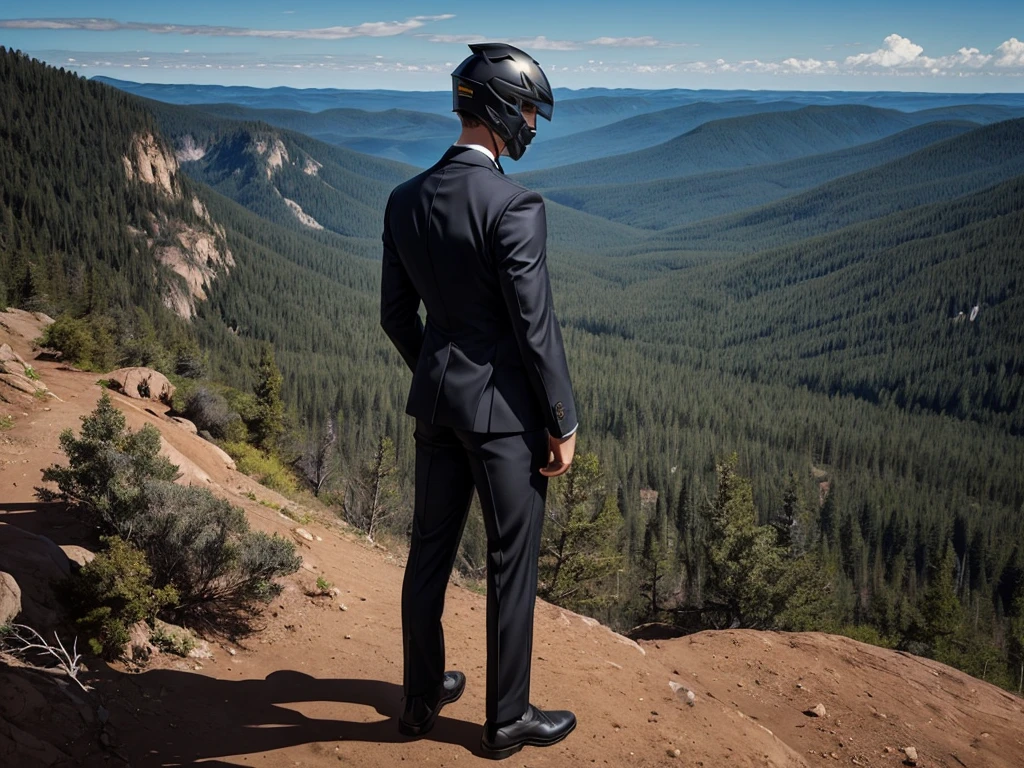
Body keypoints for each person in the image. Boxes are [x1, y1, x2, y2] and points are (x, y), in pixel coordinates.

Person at [379, 42, 578, 760]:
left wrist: (437, 372)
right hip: (502, 422)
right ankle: (507, 721)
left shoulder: (405, 199)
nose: (531, 122)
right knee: (509, 564)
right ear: (498, 107)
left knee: (427, 555)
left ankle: (420, 700)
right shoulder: (516, 205)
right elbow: (535, 329)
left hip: (434, 408)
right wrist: (562, 421)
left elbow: (396, 318)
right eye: (527, 108)